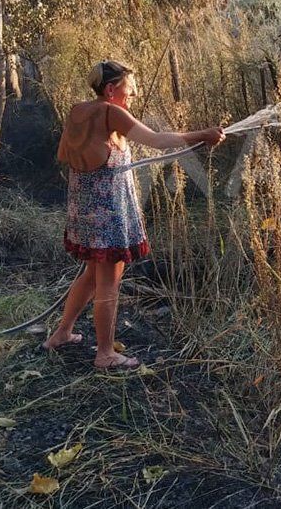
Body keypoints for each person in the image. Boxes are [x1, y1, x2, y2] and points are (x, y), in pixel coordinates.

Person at [42, 60, 225, 370]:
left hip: (83, 209)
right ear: (111, 89)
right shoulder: (112, 112)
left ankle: (61, 333)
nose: (134, 95)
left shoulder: (78, 110)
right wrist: (202, 134)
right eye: (130, 90)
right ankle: (105, 354)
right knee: (109, 282)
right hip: (109, 211)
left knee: (90, 276)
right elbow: (156, 140)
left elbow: (63, 154)